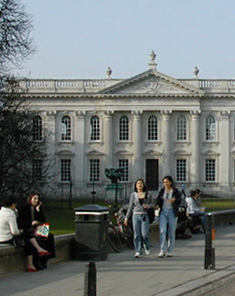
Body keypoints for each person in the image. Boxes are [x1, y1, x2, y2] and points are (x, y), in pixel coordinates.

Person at [18, 193, 55, 272]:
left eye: (37, 199)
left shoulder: (36, 209)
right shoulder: (24, 208)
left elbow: (42, 219)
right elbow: (20, 222)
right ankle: (38, 262)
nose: (36, 201)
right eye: (34, 199)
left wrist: (38, 210)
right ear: (30, 199)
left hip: (36, 229)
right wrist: (31, 223)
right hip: (28, 229)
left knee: (50, 237)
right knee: (38, 239)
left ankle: (46, 258)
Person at [124, 178, 153, 258]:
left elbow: (152, 204)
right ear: (136, 186)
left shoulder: (148, 194)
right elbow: (130, 206)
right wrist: (126, 217)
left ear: (143, 185)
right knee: (137, 234)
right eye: (138, 184)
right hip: (135, 215)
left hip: (144, 215)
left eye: (141, 183)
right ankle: (138, 251)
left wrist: (148, 206)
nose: (139, 185)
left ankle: (147, 246)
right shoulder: (133, 195)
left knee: (145, 234)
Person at [156, 176, 181, 258]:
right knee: (162, 230)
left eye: (167, 182)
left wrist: (174, 200)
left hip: (172, 212)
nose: (165, 184)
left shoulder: (175, 191)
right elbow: (158, 200)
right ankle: (162, 250)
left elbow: (180, 200)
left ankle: (170, 250)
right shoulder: (162, 191)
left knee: (171, 232)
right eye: (164, 182)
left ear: (171, 182)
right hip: (163, 211)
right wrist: (157, 205)